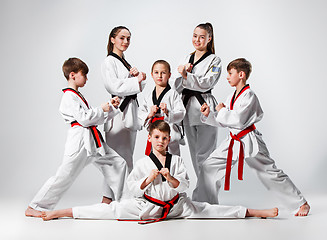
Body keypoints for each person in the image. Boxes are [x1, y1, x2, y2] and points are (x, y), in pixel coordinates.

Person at [41, 120, 278, 222]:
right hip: (146, 207)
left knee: (210, 210)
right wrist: (147, 180)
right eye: (157, 137)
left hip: (176, 206)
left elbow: (185, 185)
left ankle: (259, 212)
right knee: (110, 210)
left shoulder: (175, 160)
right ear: (150, 138)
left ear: (168, 140)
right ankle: (60, 212)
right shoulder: (143, 162)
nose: (161, 141)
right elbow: (133, 189)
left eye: (165, 138)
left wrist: (170, 178)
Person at [197, 58, 310, 216]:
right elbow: (225, 121)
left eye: (230, 73)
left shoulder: (249, 96)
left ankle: (301, 203)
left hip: (249, 140)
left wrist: (222, 111)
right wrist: (209, 115)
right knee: (209, 166)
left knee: (269, 172)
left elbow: (239, 120)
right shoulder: (231, 96)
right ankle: (203, 204)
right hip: (233, 140)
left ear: (241, 74)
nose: (227, 77)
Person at [25, 58, 128, 217]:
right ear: (72, 75)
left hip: (92, 140)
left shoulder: (77, 95)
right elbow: (84, 119)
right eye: (84, 75)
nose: (86, 78)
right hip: (80, 140)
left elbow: (93, 118)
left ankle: (117, 202)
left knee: (118, 163)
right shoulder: (69, 97)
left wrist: (111, 107)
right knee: (65, 175)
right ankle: (35, 206)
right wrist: (101, 108)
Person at [172, 22, 221, 201]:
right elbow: (176, 85)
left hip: (204, 107)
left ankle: (209, 199)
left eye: (202, 37)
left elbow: (208, 82)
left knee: (206, 157)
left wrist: (187, 76)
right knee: (195, 156)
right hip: (187, 109)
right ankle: (201, 197)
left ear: (209, 38)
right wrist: (183, 74)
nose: (197, 40)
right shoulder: (186, 57)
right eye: (195, 35)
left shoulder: (214, 60)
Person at [101, 26, 146, 172]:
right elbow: (114, 86)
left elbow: (137, 86)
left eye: (128, 38)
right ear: (112, 39)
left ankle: (120, 194)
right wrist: (136, 80)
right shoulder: (109, 61)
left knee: (127, 158)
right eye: (122, 38)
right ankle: (110, 195)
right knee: (116, 160)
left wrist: (138, 77)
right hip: (118, 113)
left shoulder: (125, 62)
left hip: (129, 112)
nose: (126, 41)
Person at [139, 60, 185, 156]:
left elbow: (181, 113)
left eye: (163, 73)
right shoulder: (148, 96)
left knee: (172, 161)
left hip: (170, 134)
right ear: (152, 74)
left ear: (169, 75)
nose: (159, 76)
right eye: (156, 72)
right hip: (154, 134)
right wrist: (149, 114)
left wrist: (168, 112)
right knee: (154, 163)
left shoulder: (173, 94)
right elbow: (141, 114)